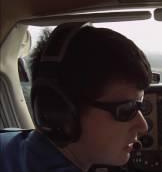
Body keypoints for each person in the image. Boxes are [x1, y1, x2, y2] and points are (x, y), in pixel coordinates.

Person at [0, 22, 151, 172]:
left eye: (140, 104)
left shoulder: (8, 138)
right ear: (60, 111)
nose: (143, 126)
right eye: (126, 109)